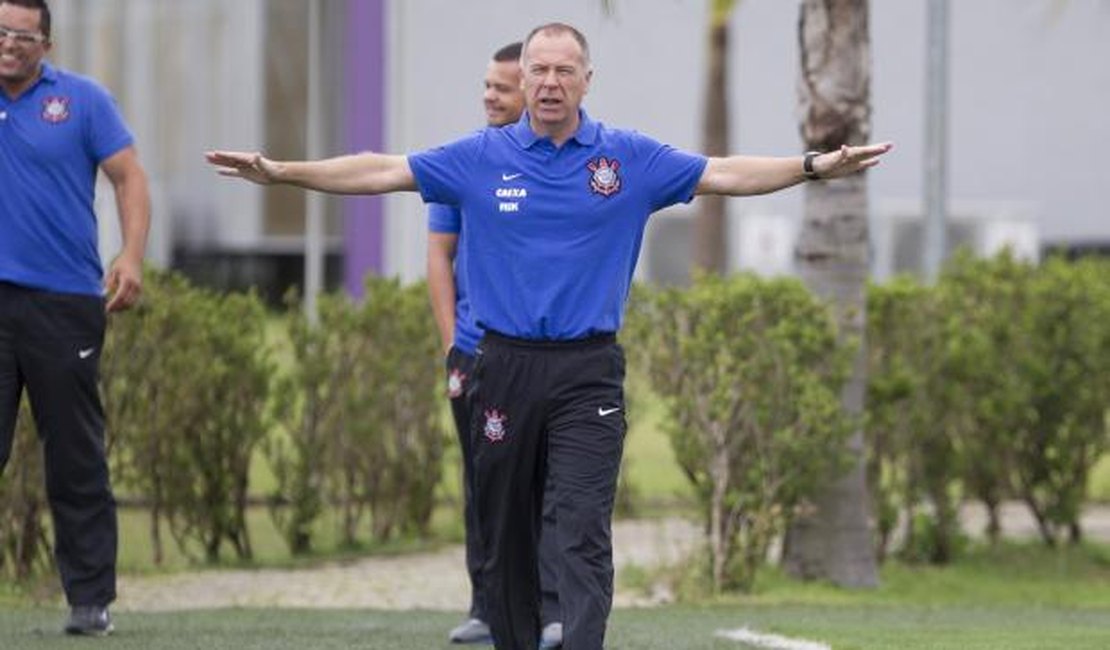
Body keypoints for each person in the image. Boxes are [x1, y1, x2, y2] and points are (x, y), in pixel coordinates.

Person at [207, 22, 891, 650]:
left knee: (581, 525)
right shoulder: (480, 156)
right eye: (539, 69)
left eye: (565, 70)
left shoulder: (627, 160)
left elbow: (722, 173)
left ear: (587, 80)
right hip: (502, 366)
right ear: (524, 78)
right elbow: (380, 168)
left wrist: (811, 167)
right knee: (505, 533)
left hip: (589, 371)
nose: (551, 82)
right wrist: (283, 172)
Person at [0, 0, 150, 637]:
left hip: (63, 303)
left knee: (75, 456)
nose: (8, 44)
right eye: (0, 32)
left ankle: (90, 599)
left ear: (47, 43)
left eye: (22, 36)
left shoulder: (84, 101)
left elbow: (130, 178)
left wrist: (132, 255)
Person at [429, 41, 563, 648]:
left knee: (553, 489)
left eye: (500, 88)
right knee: (487, 484)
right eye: (487, 86)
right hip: (477, 354)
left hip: (547, 358)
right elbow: (439, 256)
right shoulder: (466, 163)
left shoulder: (562, 164)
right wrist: (450, 346)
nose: (490, 96)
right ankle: (487, 605)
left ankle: (552, 608)